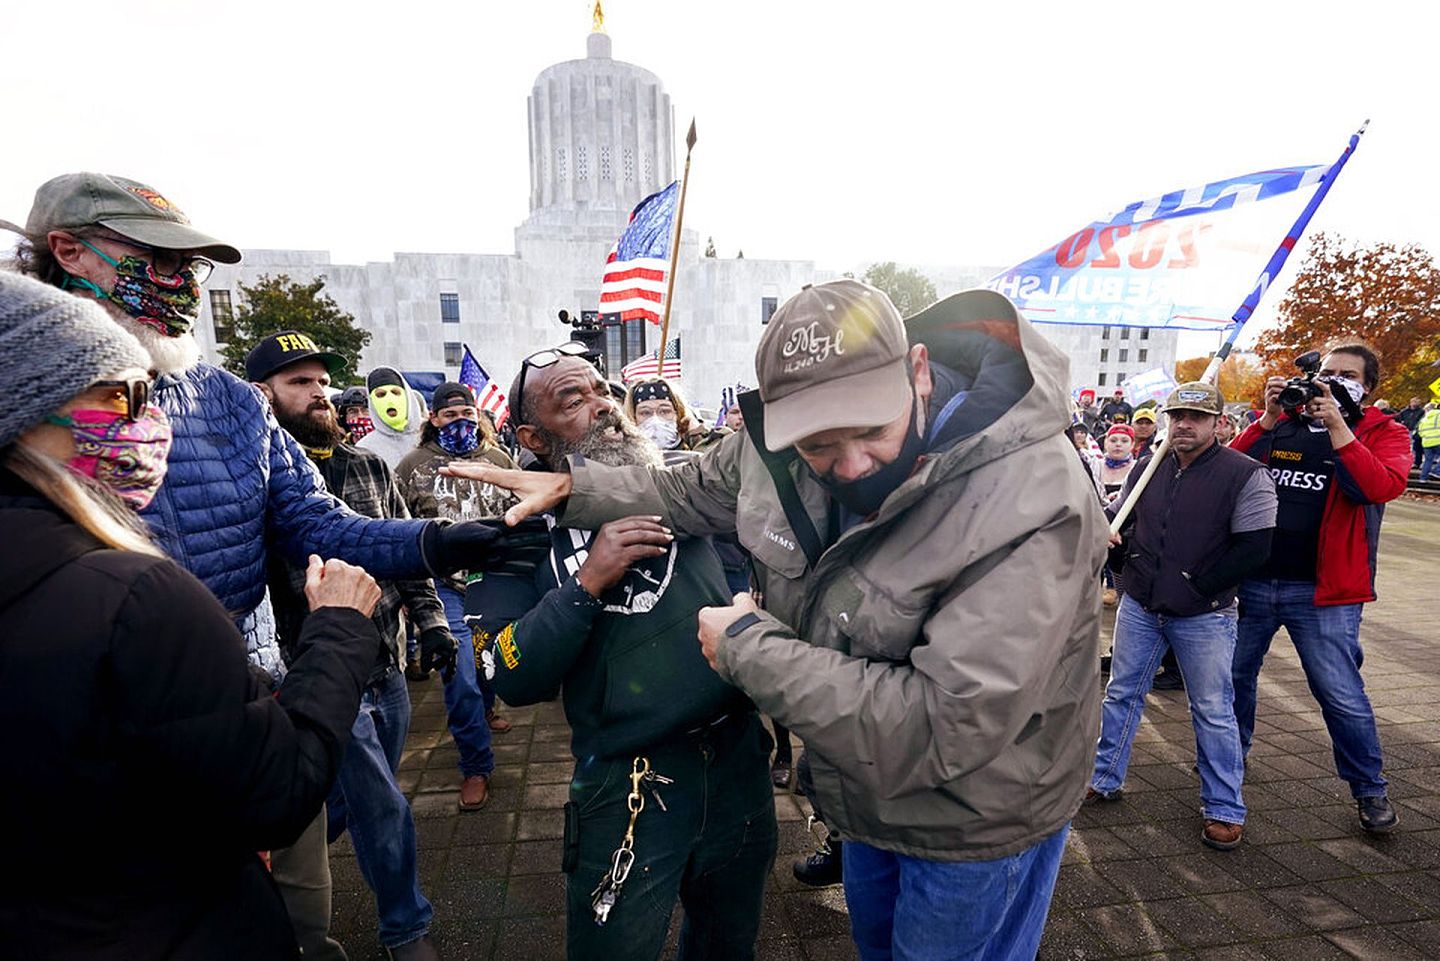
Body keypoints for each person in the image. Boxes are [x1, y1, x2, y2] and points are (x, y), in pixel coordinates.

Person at [450, 282, 1108, 961]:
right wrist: (572, 489)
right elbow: (683, 489)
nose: (850, 466)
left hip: (975, 819)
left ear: (917, 372)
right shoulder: (772, 454)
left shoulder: (1031, 492)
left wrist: (749, 648)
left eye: (872, 429)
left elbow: (948, 720)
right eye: (819, 443)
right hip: (868, 795)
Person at [4, 170, 524, 953]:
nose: (181, 282)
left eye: (190, 265)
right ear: (69, 251)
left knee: (293, 909)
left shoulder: (230, 401)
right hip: (78, 749)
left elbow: (320, 521)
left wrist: (434, 543)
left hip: (244, 698)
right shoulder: (22, 394)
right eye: (156, 258)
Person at [0, 271, 383, 961]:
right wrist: (339, 629)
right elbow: (278, 792)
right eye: (120, 393)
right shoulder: (136, 596)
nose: (149, 421)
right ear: (27, 409)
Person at [461, 345, 776, 960]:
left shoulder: (682, 485)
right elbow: (506, 672)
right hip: (629, 788)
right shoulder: (515, 535)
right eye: (572, 401)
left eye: (603, 390)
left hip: (739, 764)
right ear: (530, 434)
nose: (604, 406)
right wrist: (585, 586)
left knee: (727, 944)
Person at [248, 332, 452, 961]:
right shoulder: (253, 480)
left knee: (342, 799)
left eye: (320, 381)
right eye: (298, 383)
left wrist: (432, 622)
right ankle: (406, 930)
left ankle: (277, 846)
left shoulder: (366, 466)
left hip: (384, 661)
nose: (319, 394)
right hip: (316, 673)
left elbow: (399, 550)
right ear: (263, 396)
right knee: (384, 805)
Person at [1230, 345, 1414, 832]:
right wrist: (1267, 419)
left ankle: (1369, 789)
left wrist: (1338, 427)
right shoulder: (1283, 419)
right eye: (1326, 372)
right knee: (1232, 682)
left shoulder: (1385, 432)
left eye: (1346, 375)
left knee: (1339, 694)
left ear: (1368, 386)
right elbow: (1222, 475)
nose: (1332, 381)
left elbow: (1379, 487)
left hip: (1325, 592)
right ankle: (1229, 766)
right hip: (1252, 582)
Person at [1089, 382, 1277, 850]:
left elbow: (1255, 548)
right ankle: (1104, 776)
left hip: (1204, 614)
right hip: (1140, 604)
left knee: (1213, 709)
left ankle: (1224, 807)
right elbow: (1123, 522)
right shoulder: (1148, 469)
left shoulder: (1245, 474)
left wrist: (1196, 586)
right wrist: (1115, 551)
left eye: (1195, 416)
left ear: (1218, 423)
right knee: (1122, 693)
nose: (1184, 424)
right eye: (1177, 416)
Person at [395, 381, 521, 810]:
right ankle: (475, 765)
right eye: (450, 415)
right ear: (433, 419)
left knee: (487, 665)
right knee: (460, 673)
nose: (461, 422)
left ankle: (486, 710)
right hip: (442, 586)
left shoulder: (500, 459)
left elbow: (520, 516)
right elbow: (397, 529)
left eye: (468, 414)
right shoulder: (412, 466)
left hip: (493, 582)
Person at [622, 376, 729, 463]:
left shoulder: (696, 450)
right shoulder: (624, 459)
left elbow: (714, 467)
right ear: (633, 418)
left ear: (678, 414)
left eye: (665, 411)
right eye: (645, 413)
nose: (655, 420)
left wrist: (697, 434)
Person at [358, 365, 426, 469]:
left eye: (395, 392)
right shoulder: (365, 448)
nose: (390, 400)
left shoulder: (432, 433)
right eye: (381, 395)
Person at [1395, 396, 1426, 467]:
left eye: (1417, 402)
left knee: (1414, 447)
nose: (1415, 403)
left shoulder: (1421, 411)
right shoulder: (1405, 411)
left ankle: (1413, 461)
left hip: (1414, 430)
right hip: (1405, 429)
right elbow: (1398, 418)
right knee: (1405, 446)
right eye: (1414, 401)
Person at [1417, 402, 1440, 481]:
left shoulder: (1424, 418)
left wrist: (1426, 436)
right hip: (1438, 440)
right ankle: (1436, 471)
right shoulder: (1439, 415)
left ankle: (1423, 478)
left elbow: (1420, 431)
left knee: (1428, 460)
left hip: (1426, 442)